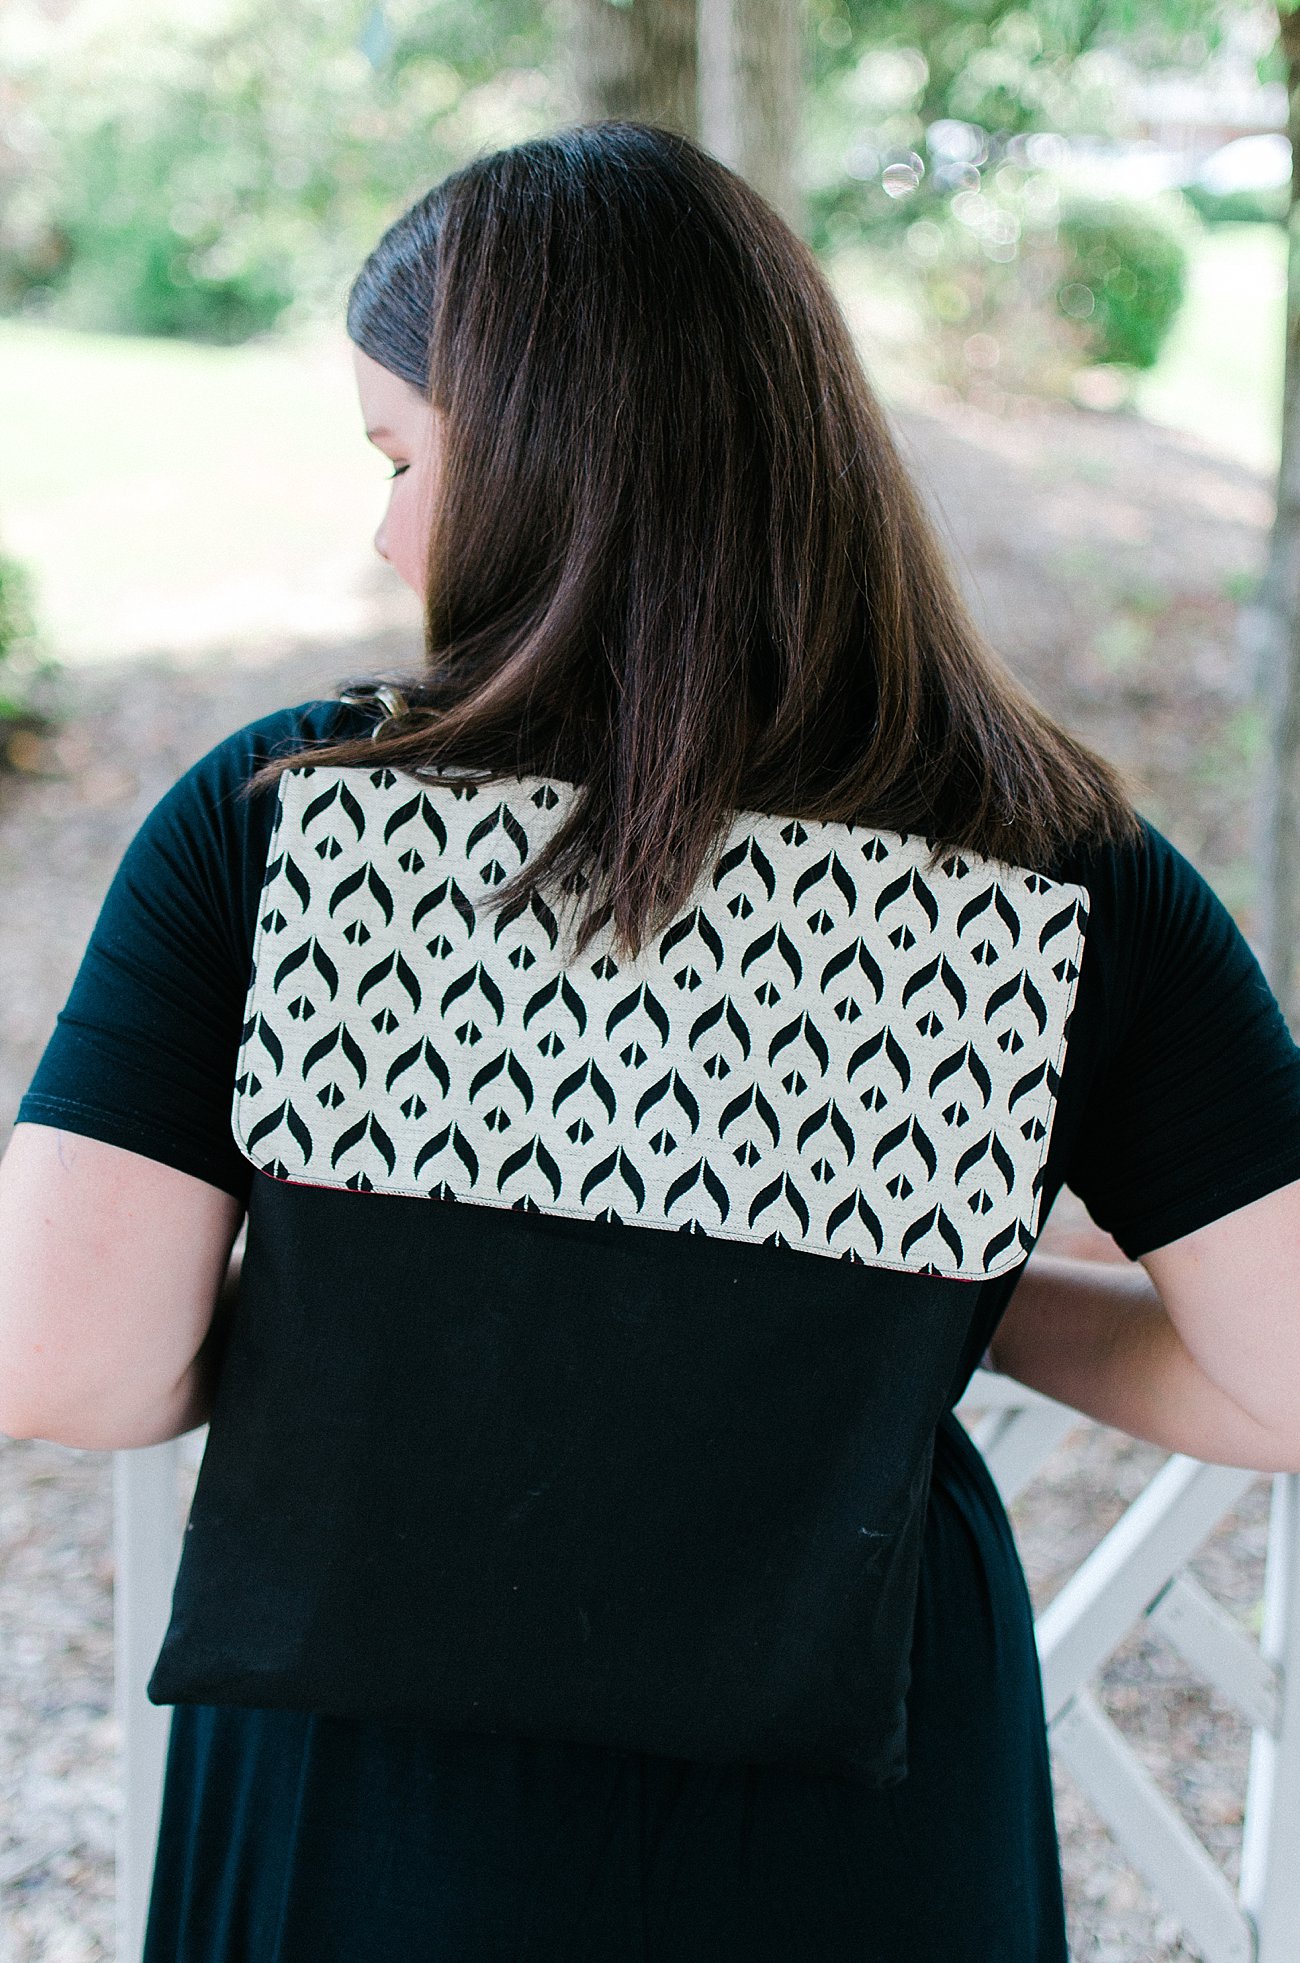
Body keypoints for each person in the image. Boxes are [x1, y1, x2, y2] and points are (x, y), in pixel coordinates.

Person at [2, 120, 1299, 1963]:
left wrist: (365, 1280)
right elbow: (1282, 1374)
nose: (387, 530)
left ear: (543, 462)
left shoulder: (288, 823)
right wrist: (933, 1287)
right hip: (859, 1806)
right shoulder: (1062, 872)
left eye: (402, 458)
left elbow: (69, 1362)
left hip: (379, 1792)